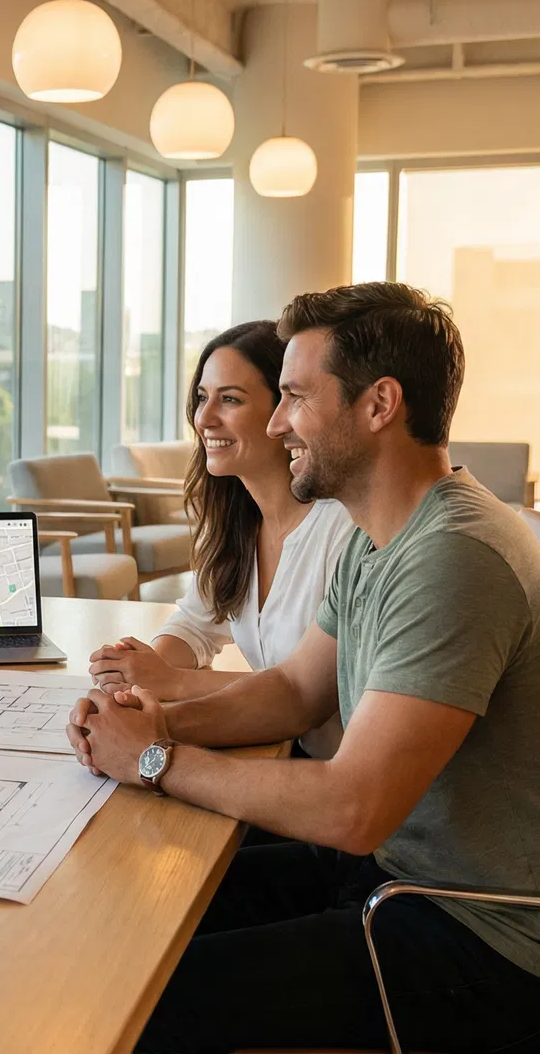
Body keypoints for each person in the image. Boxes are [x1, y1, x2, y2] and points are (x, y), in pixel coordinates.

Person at [68, 282, 540, 1053]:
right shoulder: (381, 535)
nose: (277, 423)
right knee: (130, 914)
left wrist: (156, 760)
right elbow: (295, 692)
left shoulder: (453, 558)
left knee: (145, 997)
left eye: (296, 397)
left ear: (379, 405)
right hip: (411, 876)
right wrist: (153, 723)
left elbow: (352, 809)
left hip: (506, 947)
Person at [85, 321, 355, 757]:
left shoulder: (343, 529)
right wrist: (139, 679)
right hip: (277, 750)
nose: (204, 418)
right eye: (201, 397)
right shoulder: (237, 522)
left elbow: (312, 693)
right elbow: (195, 623)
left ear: (285, 410)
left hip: (327, 770)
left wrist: (173, 682)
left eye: (230, 399)